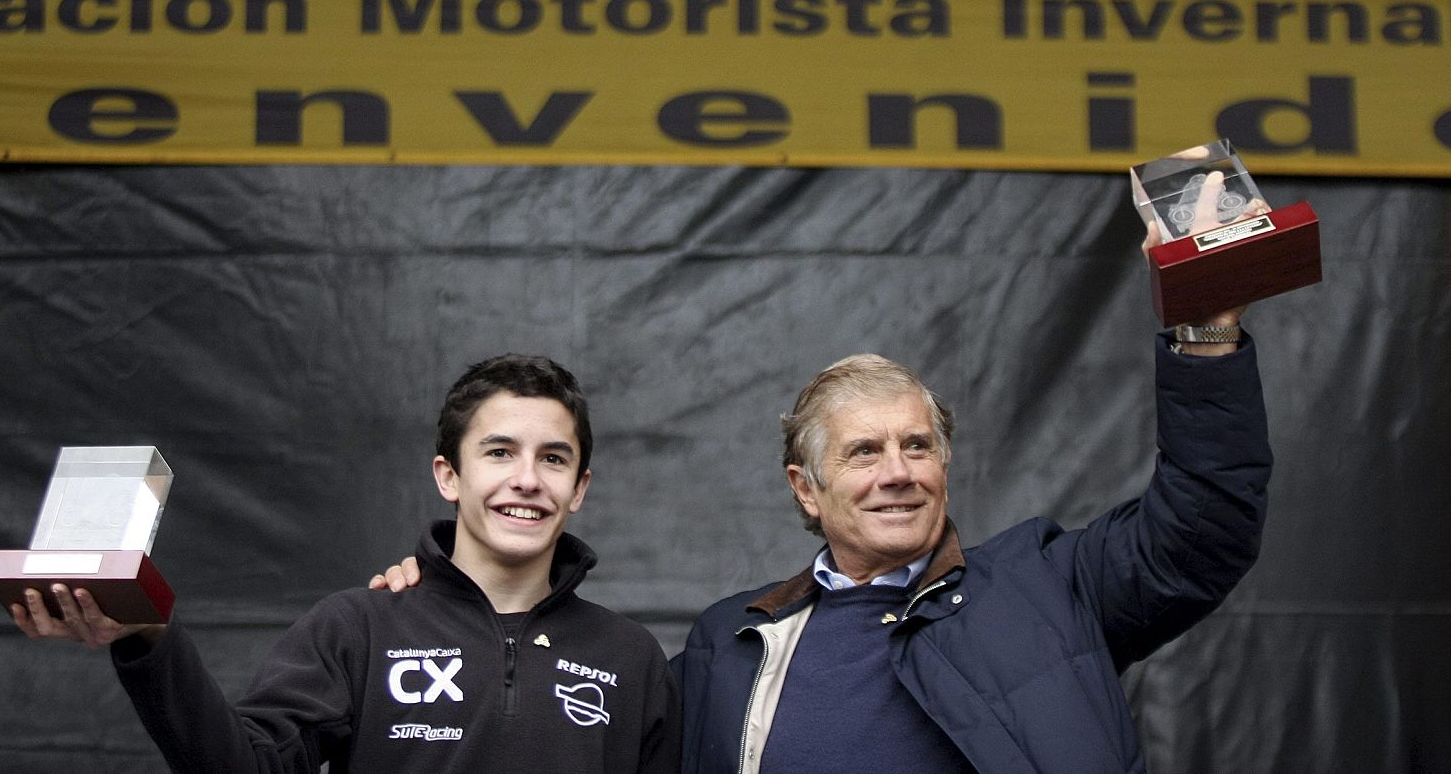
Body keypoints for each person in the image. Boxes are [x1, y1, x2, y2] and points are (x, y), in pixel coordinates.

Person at [376, 177, 1272, 773]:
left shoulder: (1052, 585)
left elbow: (1204, 525)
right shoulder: (731, 647)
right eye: (864, 452)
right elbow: (566, 716)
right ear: (806, 490)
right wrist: (443, 596)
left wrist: (1207, 332)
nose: (898, 472)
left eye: (918, 446)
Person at [11, 353, 680, 774]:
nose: (527, 480)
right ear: (448, 475)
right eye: (500, 453)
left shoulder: (630, 657)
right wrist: (149, 638)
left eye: (553, 459)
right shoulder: (358, 627)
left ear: (581, 488)